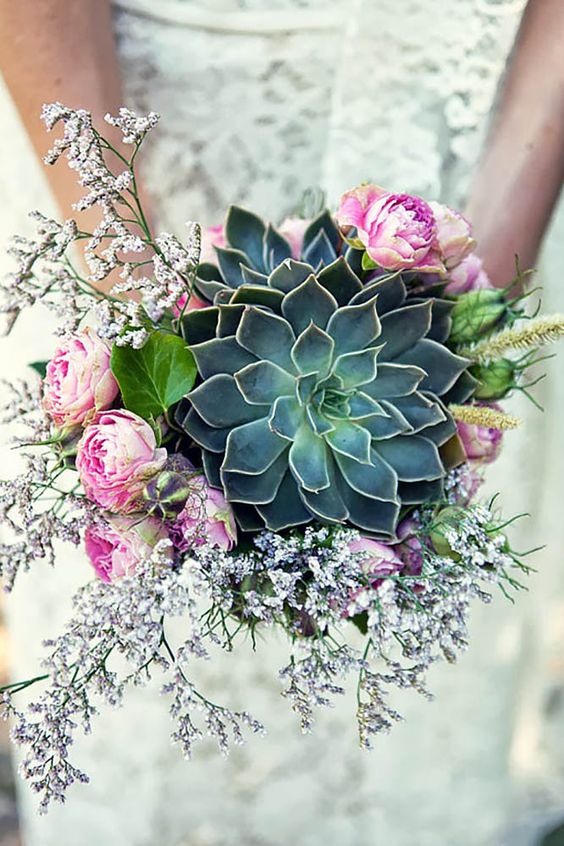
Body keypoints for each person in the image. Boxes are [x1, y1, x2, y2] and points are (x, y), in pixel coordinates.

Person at [0, 1, 563, 844]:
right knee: (152, 701)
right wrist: (139, 313)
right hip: (140, 147)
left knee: (422, 704)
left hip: (475, 137)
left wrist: (475, 291)